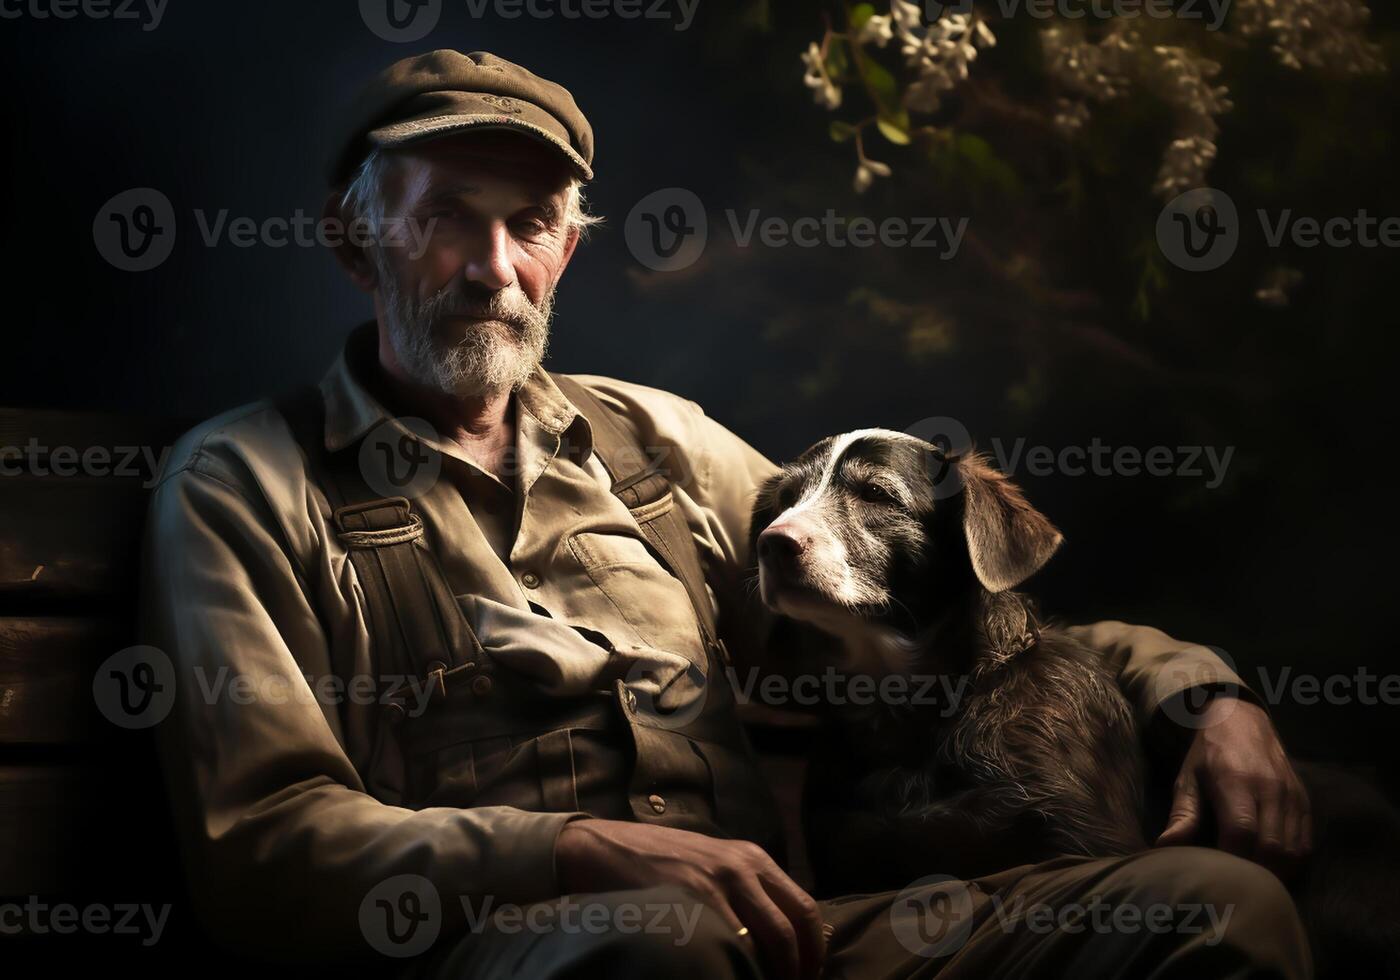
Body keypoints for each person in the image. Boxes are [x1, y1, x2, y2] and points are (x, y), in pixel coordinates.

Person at [140, 49, 1312, 979]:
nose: (492, 267)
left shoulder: (657, 445)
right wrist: (573, 851)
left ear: (567, 252)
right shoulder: (241, 486)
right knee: (655, 941)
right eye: (448, 214)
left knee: (1218, 907)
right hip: (525, 951)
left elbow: (953, 614)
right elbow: (264, 844)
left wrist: (1194, 691)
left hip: (793, 939)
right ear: (357, 241)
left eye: (533, 221)